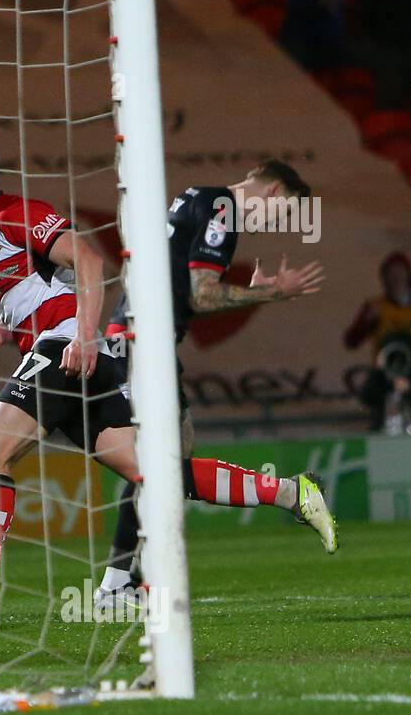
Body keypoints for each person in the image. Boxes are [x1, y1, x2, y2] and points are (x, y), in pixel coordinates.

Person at [0, 133, 338, 626]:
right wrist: (7, 331)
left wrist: (83, 336)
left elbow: (89, 262)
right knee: (156, 473)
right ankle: (289, 492)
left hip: (71, 351)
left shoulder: (12, 211)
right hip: (83, 352)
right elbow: (50, 291)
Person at [98, 161, 337, 604]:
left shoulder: (197, 195)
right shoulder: (223, 209)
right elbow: (203, 294)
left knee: (172, 461)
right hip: (142, 343)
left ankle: (125, 578)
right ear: (275, 189)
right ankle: (120, 582)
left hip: (136, 338)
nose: (276, 224)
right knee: (162, 467)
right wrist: (272, 293)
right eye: (283, 213)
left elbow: (187, 290)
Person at [345, 251, 411, 431]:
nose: (396, 278)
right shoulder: (376, 306)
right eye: (391, 274)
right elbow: (351, 340)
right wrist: (367, 321)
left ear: (409, 275)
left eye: (400, 272)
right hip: (386, 375)